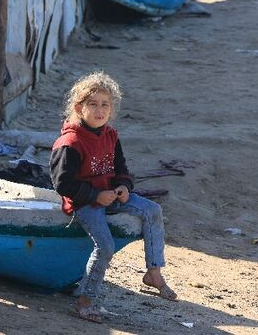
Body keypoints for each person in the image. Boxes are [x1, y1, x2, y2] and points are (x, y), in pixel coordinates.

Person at [49, 71, 177, 324]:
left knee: (152, 210)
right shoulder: (70, 142)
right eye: (93, 104)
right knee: (105, 246)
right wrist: (96, 194)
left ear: (112, 108)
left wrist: (123, 186)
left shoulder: (110, 135)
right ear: (79, 107)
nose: (99, 110)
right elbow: (62, 183)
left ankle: (153, 272)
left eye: (105, 105)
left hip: (111, 197)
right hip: (85, 203)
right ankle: (84, 302)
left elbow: (121, 169)